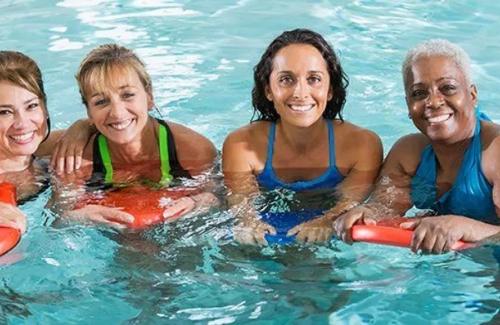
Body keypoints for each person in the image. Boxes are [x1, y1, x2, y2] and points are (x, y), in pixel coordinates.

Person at [334, 39, 500, 253]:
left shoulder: (494, 152)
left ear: (472, 95)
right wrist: (366, 213)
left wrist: (462, 226)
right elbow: (384, 208)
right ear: (408, 106)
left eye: (448, 88)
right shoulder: (408, 154)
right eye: (419, 93)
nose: (433, 102)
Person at [223, 29, 382, 245]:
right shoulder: (241, 145)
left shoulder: (362, 145)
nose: (300, 92)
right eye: (286, 79)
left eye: (314, 79)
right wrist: (248, 220)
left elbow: (350, 204)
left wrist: (326, 221)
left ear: (330, 90)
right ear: (268, 89)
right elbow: (241, 202)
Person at [52, 44, 218, 229]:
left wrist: (200, 202)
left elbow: (221, 198)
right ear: (89, 112)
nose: (117, 112)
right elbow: (57, 219)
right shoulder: (78, 161)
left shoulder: (192, 150)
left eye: (128, 95)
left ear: (149, 96)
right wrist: (79, 217)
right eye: (101, 101)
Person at [0, 50, 92, 233]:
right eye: (4, 112)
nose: (22, 124)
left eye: (32, 106)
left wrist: (82, 127)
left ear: (45, 106)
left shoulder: (52, 147)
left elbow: (114, 126)